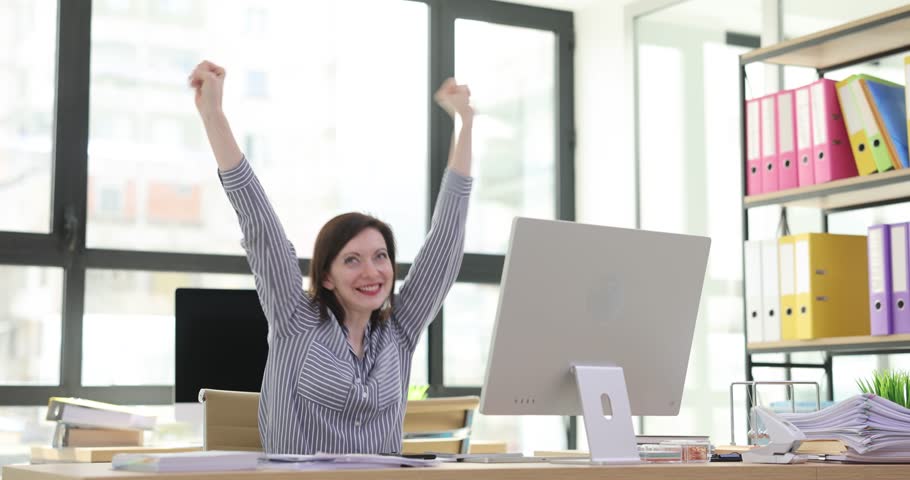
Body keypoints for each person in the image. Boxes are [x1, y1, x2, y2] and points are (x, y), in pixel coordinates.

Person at [188, 60, 474, 454]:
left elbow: (446, 240)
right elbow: (261, 227)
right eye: (352, 260)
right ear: (325, 276)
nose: (372, 271)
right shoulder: (295, 319)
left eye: (380, 257)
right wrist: (213, 114)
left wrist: (466, 123)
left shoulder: (399, 333)